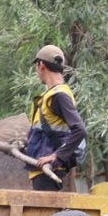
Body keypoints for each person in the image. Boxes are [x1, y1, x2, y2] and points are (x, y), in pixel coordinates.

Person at [24, 45, 88, 192]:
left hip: (49, 169)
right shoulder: (51, 95)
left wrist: (56, 157)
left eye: (36, 66)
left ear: (41, 65)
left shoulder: (59, 96)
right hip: (42, 168)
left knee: (45, 215)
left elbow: (80, 130)